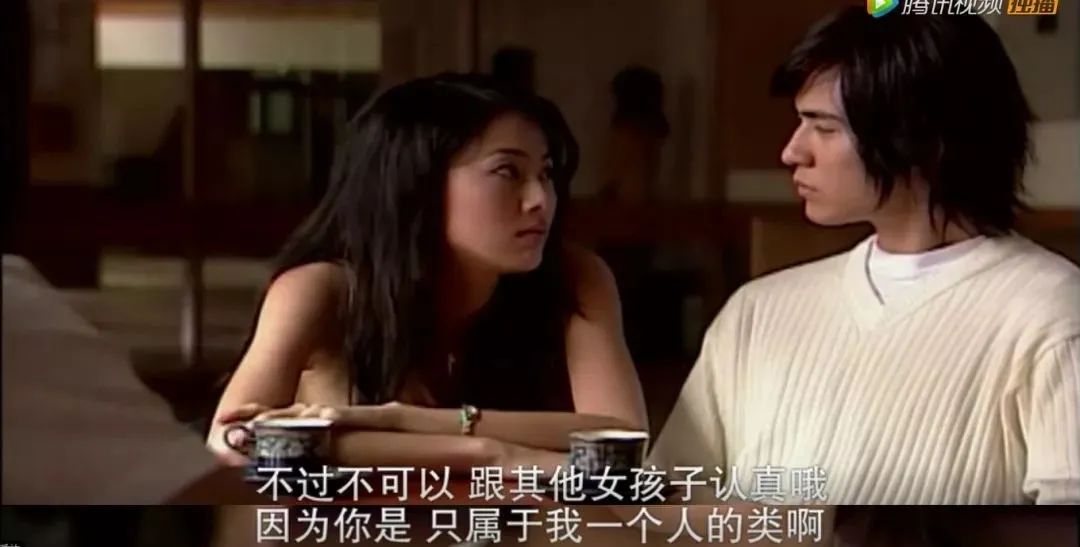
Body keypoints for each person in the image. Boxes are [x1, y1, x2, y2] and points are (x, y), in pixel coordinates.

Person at [649, 8, 1080, 505]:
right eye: (800, 122)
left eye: (824, 128)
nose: (792, 152)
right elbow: (670, 500)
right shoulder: (756, 310)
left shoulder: (1050, 314)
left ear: (921, 137)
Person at [208, 73, 648, 473]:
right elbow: (234, 443)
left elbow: (622, 440)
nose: (540, 199)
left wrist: (404, 421)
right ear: (418, 183)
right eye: (507, 171)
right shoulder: (321, 291)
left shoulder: (576, 276)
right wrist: (491, 452)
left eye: (546, 172)